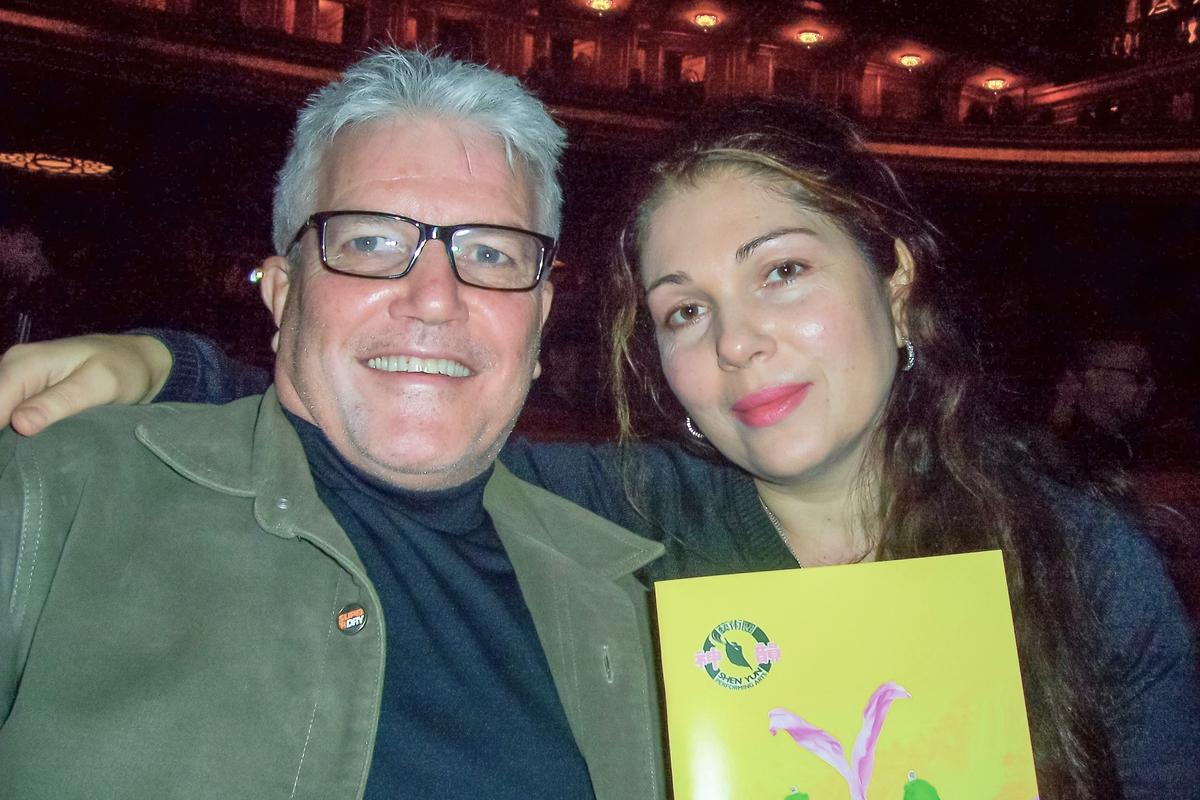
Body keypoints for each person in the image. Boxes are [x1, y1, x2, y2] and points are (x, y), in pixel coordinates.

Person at [4, 99, 1199, 799]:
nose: (738, 342)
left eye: (781, 270)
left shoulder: (1081, 565)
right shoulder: (612, 517)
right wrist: (164, 362)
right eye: (684, 309)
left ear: (893, 277)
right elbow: (378, 414)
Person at [0, 49, 668, 800]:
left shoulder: (638, 613)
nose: (435, 298)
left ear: (539, 323)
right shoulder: (54, 494)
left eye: (489, 252)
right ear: (284, 297)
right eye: (372, 242)